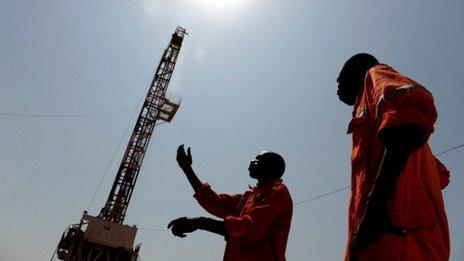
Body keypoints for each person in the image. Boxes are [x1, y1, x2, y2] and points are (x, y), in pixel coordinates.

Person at [336, 53, 450, 261]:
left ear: (354, 67)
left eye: (339, 79)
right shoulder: (380, 120)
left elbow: (409, 113)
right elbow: (440, 175)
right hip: (398, 238)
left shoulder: (375, 75)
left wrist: (374, 212)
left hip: (395, 239)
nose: (337, 89)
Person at [167, 145, 293, 261]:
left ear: (271, 167)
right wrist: (188, 169)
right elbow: (216, 203)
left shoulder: (277, 193)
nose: (252, 161)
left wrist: (200, 222)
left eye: (258, 159)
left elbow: (248, 228)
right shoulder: (248, 197)